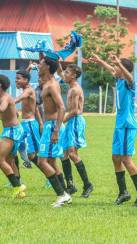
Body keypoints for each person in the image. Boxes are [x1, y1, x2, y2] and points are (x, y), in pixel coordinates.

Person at [90, 53, 137, 207]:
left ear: (122, 69)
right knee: (115, 158)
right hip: (119, 125)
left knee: (126, 159)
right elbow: (111, 70)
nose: (114, 69)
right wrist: (100, 61)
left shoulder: (129, 83)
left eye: (116, 66)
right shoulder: (119, 80)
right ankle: (123, 192)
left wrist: (120, 64)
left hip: (127, 125)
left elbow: (130, 77)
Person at [37, 56, 71, 207]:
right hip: (50, 125)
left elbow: (62, 107)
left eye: (41, 63)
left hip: (52, 126)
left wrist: (56, 130)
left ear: (47, 67)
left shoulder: (51, 85)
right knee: (51, 161)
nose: (38, 65)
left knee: (42, 161)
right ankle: (65, 194)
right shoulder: (47, 82)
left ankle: (61, 194)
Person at [58, 63, 94, 197]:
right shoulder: (71, 86)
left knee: (72, 154)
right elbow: (60, 72)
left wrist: (61, 122)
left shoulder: (75, 90)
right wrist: (56, 61)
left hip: (74, 122)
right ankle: (70, 186)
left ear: (74, 76)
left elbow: (74, 111)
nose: (64, 74)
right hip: (72, 121)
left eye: (67, 73)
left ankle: (88, 184)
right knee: (64, 154)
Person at [0, 74, 26, 198]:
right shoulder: (4, 96)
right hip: (12, 130)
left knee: (1, 159)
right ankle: (20, 190)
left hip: (12, 131)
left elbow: (2, 108)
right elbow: (14, 112)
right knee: (10, 160)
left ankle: (17, 186)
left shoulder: (5, 97)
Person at [14, 70, 41, 167]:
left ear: (26, 80)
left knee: (32, 154)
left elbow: (18, 99)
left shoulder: (28, 90)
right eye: (15, 78)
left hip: (30, 125)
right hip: (24, 124)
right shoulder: (26, 89)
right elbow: (36, 108)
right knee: (14, 148)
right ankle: (16, 180)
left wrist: (7, 102)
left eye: (18, 79)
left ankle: (51, 175)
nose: (16, 80)